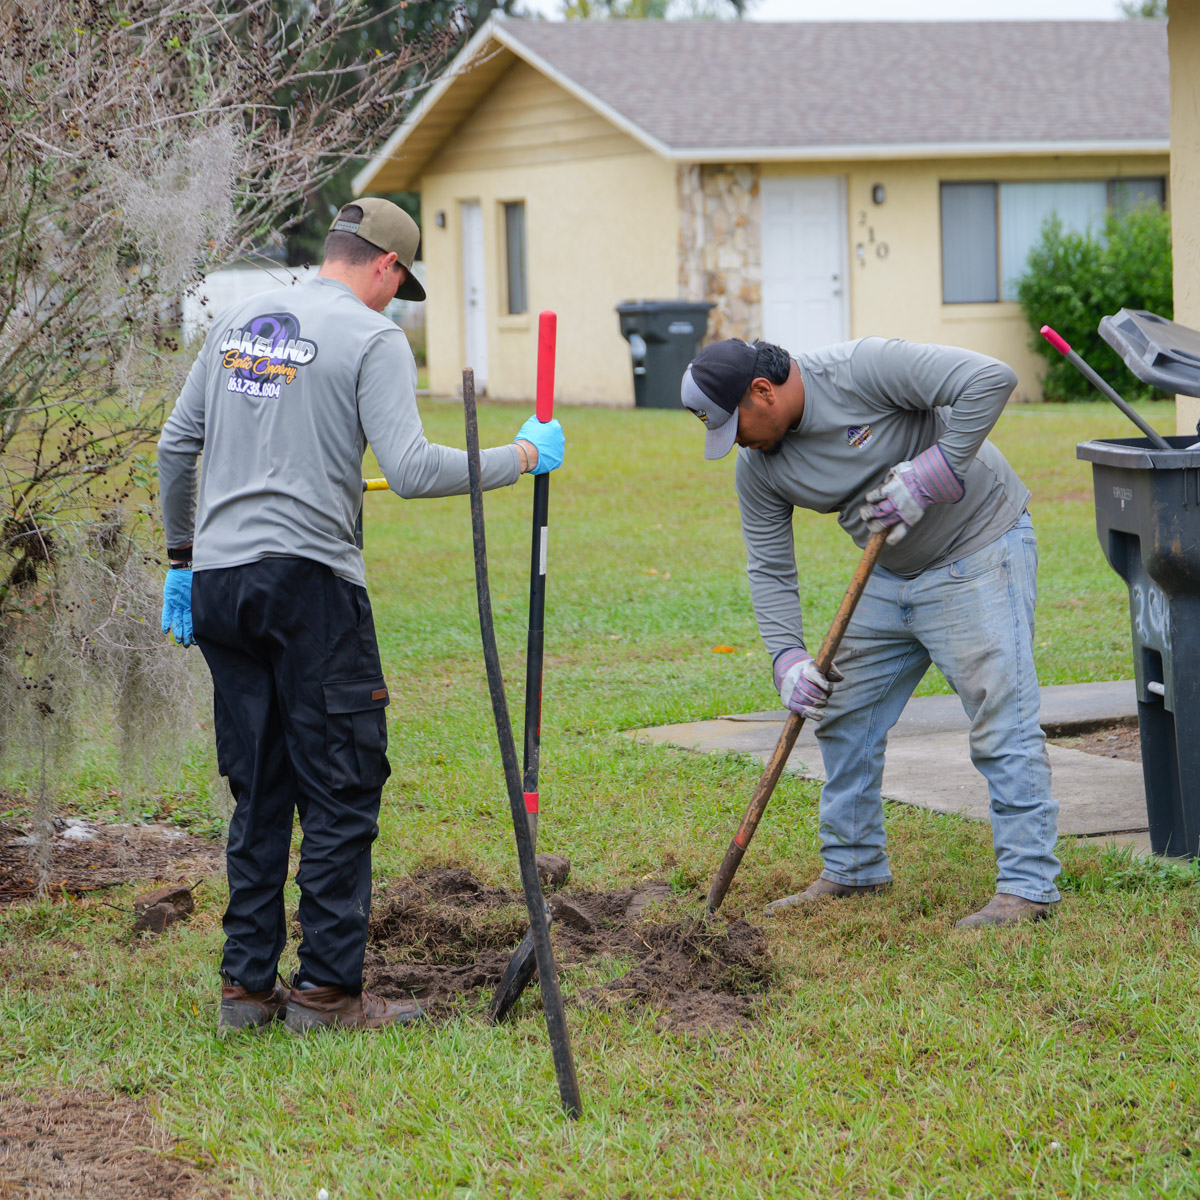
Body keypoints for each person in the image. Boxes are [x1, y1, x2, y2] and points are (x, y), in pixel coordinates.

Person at [158, 198, 565, 1033]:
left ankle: (246, 991)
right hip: (309, 586)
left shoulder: (238, 320)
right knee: (341, 782)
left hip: (222, 584)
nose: (395, 302)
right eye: (399, 286)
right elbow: (410, 469)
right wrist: (519, 457)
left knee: (259, 786)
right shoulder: (373, 337)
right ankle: (327, 993)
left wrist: (179, 562)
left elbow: (175, 447)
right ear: (383, 265)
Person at [680, 336, 1059, 927]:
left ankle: (1028, 887)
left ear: (763, 391)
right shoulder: (758, 468)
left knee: (1000, 715)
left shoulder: (860, 369)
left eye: (738, 427)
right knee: (843, 708)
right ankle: (854, 869)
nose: (739, 444)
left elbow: (992, 378)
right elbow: (770, 565)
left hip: (978, 549)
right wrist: (787, 658)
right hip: (889, 572)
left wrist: (933, 471)